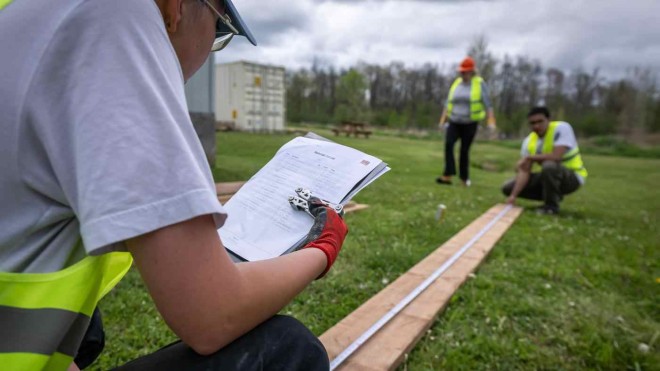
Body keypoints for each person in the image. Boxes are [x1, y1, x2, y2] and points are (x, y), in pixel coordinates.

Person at [0, 1, 347, 370]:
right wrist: (322, 250)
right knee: (288, 350)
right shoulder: (115, 18)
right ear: (178, 7)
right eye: (219, 31)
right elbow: (213, 314)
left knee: (86, 328)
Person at [502, 106, 588, 215]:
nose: (536, 126)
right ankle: (553, 195)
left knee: (549, 166)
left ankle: (551, 207)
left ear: (548, 120)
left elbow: (556, 156)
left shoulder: (562, 128)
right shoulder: (528, 142)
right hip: (548, 177)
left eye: (540, 121)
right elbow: (524, 171)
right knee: (507, 188)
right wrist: (513, 196)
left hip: (572, 177)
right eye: (532, 123)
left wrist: (529, 157)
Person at [436, 56, 496, 187]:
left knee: (464, 150)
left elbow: (488, 104)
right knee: (449, 144)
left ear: (471, 72)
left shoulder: (479, 84)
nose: (463, 74)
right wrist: (442, 120)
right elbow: (448, 103)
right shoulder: (456, 83)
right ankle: (448, 175)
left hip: (470, 123)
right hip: (454, 121)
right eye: (461, 72)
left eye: (465, 72)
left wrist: (491, 122)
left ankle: (464, 179)